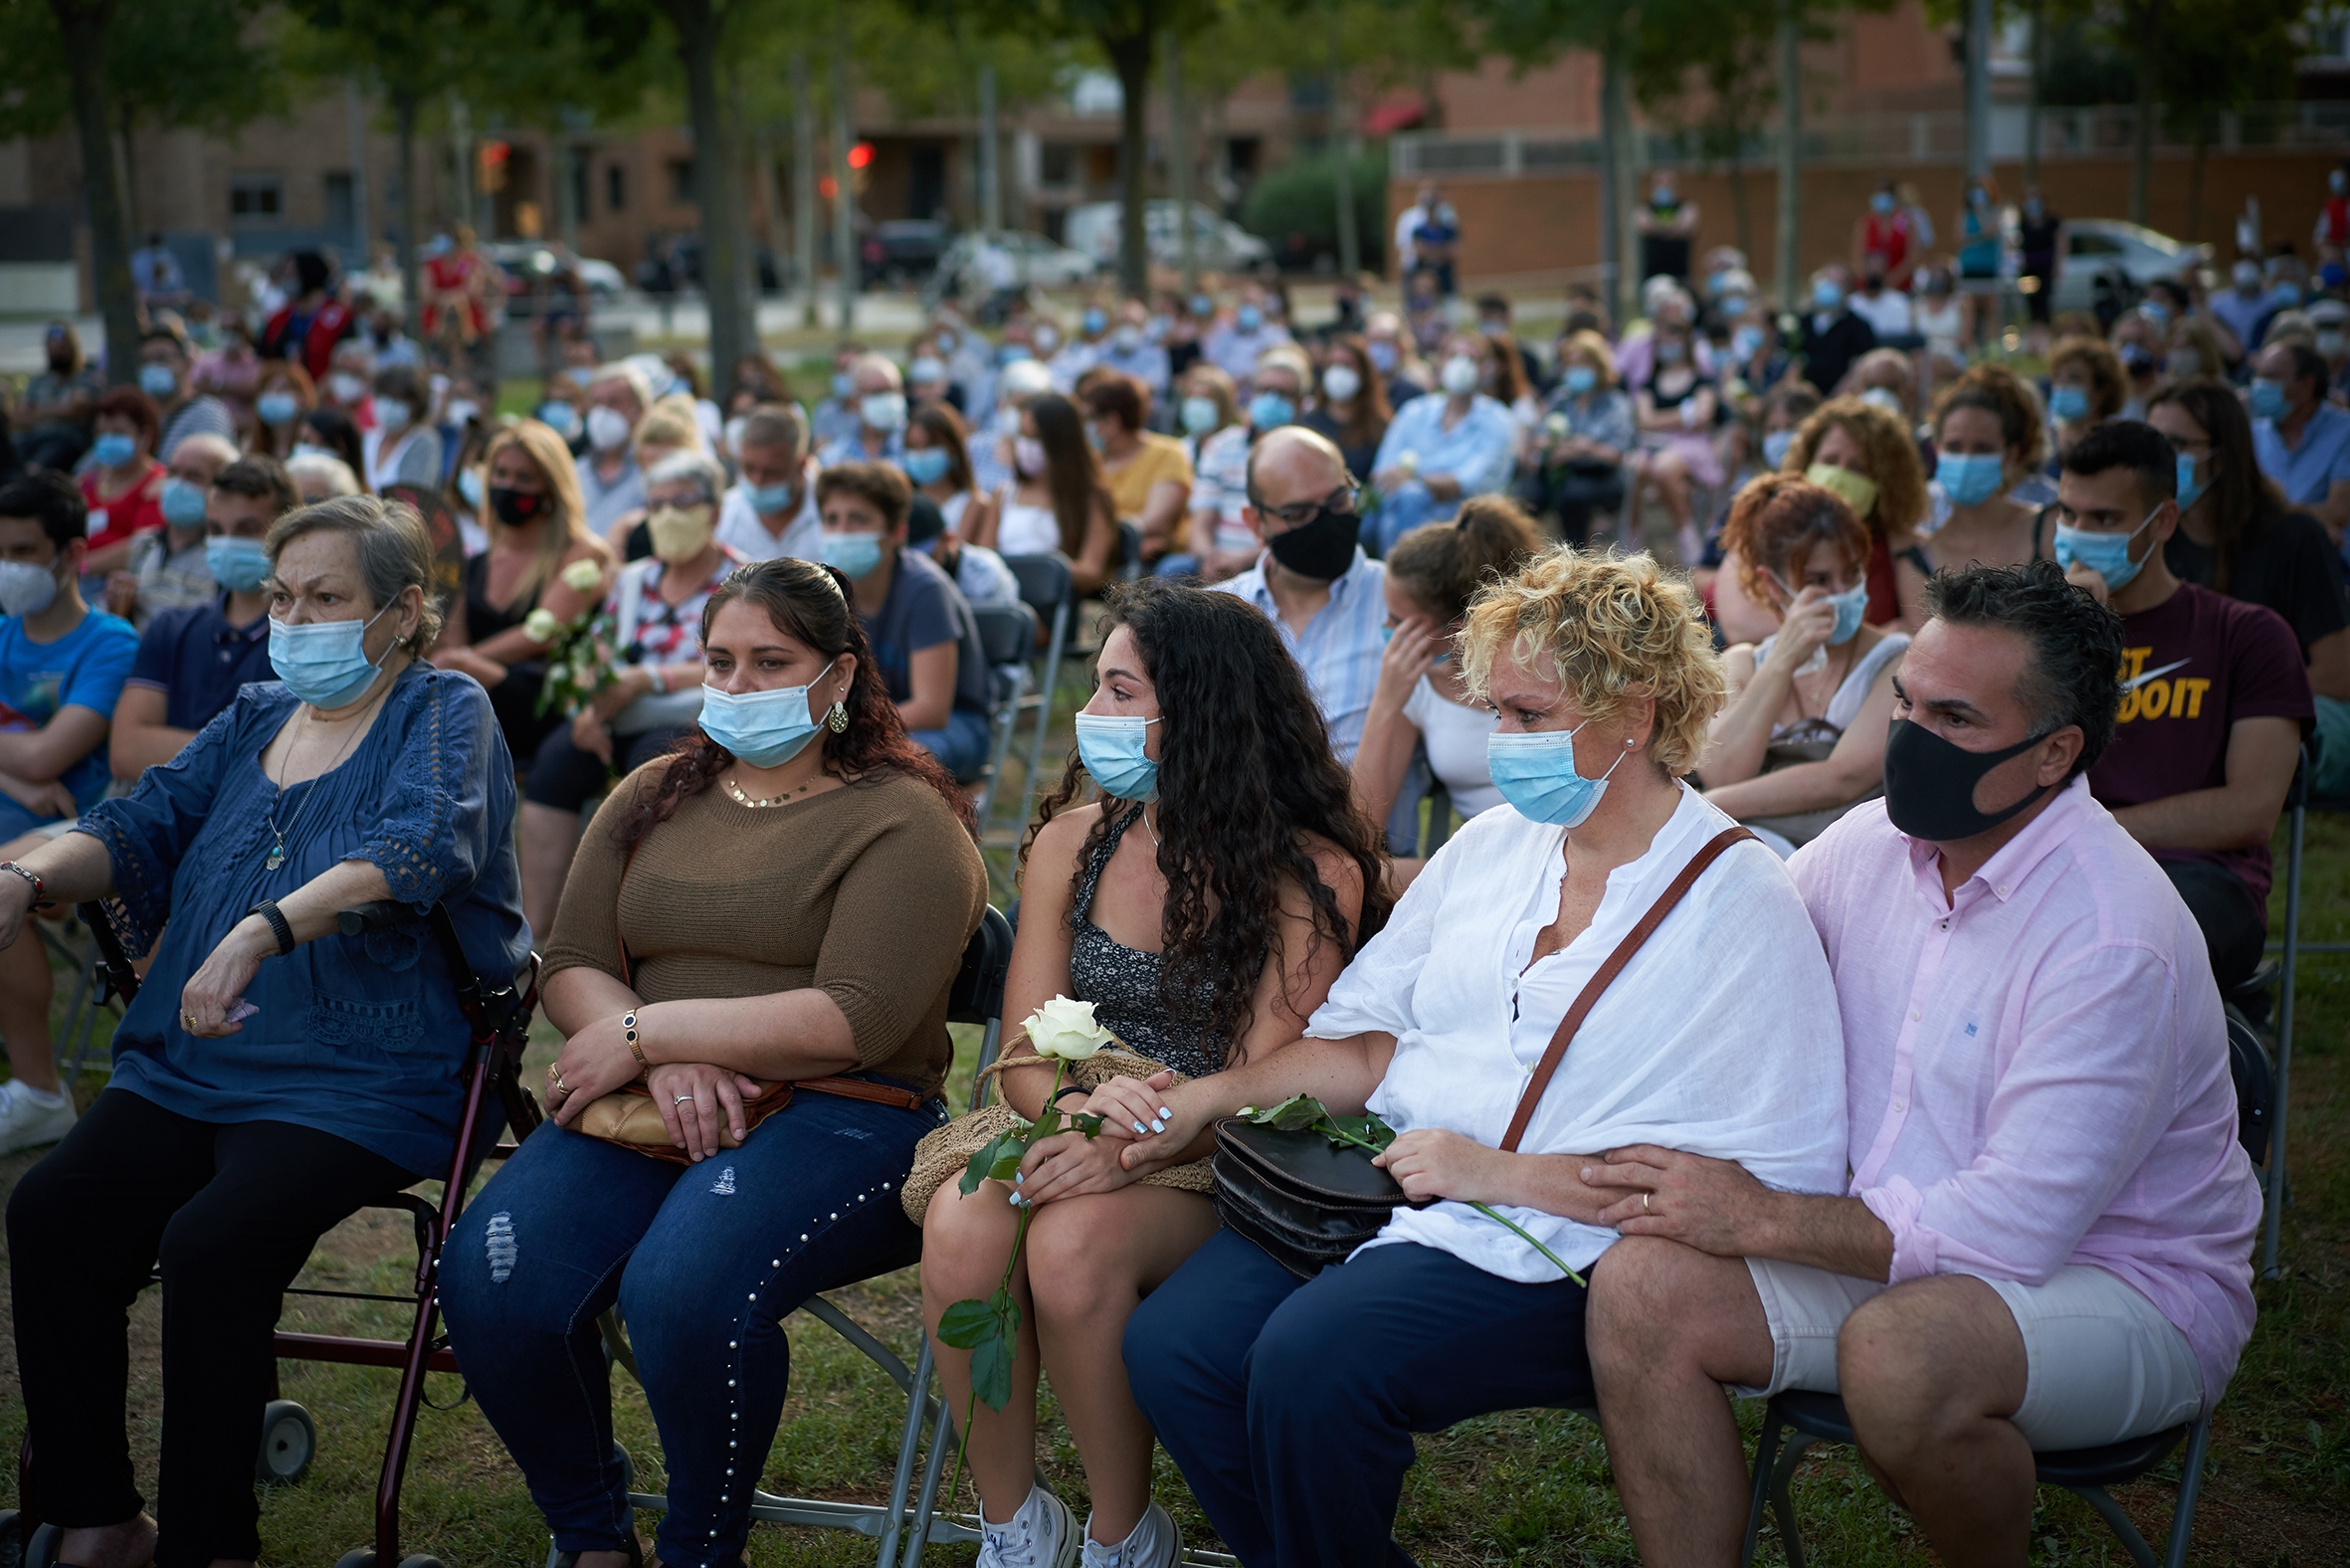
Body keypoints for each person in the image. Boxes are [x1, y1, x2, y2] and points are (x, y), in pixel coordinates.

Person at [1118, 545, 1848, 1566]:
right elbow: (1370, 1036)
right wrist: (1212, 1096)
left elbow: (1734, 1184)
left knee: (1311, 1360)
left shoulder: (1736, 900)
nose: (1498, 740)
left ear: (1633, 715)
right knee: (1175, 1351)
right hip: (1392, 1195)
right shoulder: (1493, 845)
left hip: (1566, 1247)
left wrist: (1491, 1172)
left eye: (1528, 714)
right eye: (1496, 710)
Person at [1585, 558, 2262, 1568]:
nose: (1908, 737)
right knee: (1641, 1289)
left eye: (1954, 719)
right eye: (1904, 701)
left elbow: (2012, 1228)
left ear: (2054, 753)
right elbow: (1716, 942)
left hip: (2119, 1282)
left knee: (1902, 1355)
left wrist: (1758, 1215)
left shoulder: (2111, 935)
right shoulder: (1872, 843)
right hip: (1888, 1244)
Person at [5, 492, 526, 1568]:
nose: (297, 618)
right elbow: (130, 825)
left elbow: (424, 848)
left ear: (403, 609)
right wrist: (23, 872)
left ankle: (213, 1546)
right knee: (52, 1211)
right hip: (197, 1062)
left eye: (328, 596)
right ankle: (100, 1517)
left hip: (365, 1072)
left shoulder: (445, 710)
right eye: (285, 595)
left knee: (212, 1241)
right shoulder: (252, 712)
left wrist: (263, 927)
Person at [438, 556, 986, 1568]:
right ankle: (592, 1536)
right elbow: (572, 962)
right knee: (489, 1273)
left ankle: (701, 1548)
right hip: (650, 1099)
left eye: (771, 661)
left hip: (846, 1111)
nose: (737, 686)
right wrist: (661, 1056)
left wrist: (655, 1034)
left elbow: (853, 1017)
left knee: (682, 1289)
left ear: (840, 674)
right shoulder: (654, 791)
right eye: (720, 660)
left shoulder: (907, 818)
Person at [919, 579, 1381, 1568]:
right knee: (963, 1220)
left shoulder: (1307, 868)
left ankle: (1122, 1532)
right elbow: (1022, 1051)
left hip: (1216, 1139)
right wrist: (1079, 1115)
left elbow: (1272, 1078)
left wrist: (1127, 1142)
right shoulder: (1070, 843)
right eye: (1095, 688)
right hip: (1076, 1106)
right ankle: (1015, 1524)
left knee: (1073, 1245)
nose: (1091, 717)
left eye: (1119, 692)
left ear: (1202, 711)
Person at [2054, 420, 2308, 1001]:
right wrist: (2071, 635)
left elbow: (2250, 810)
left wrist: (2092, 830)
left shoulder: (2247, 635)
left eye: (2105, 520)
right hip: (2056, 865)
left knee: (2121, 945)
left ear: (2163, 521)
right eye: (2068, 514)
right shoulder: (2033, 639)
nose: (2077, 533)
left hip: (2197, 876)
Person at [519, 450, 745, 942]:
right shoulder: (634, 578)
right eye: (655, 504)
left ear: (713, 511)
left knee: (657, 773)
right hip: (614, 715)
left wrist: (648, 678)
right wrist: (585, 710)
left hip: (686, 716)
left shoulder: (742, 584)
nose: (666, 516)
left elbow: (735, 662)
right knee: (555, 765)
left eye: (681, 502)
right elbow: (594, 655)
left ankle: (634, 932)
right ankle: (537, 931)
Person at [0, 472, 140, 1154]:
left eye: (23, 552)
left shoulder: (110, 642)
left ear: (72, 556)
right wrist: (19, 776)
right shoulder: (1, 632)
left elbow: (51, 755)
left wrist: (25, 773)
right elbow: (30, 766)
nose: (8, 568)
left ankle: (39, 1094)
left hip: (77, 839)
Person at [1699, 477, 1908, 856]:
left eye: (1851, 574)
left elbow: (1843, 778)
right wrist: (1783, 660)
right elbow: (1723, 769)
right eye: (1819, 581)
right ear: (1775, 586)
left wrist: (1707, 805)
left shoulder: (1895, 659)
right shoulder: (1743, 664)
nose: (1841, 592)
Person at [1353, 498, 1543, 888]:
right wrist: (1387, 700)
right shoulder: (1417, 686)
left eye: (1398, 621)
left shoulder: (1543, 672)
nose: (1385, 627)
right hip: (1486, 865)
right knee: (1345, 876)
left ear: (1458, 627)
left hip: (1559, 850)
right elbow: (1360, 828)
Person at [2152, 377, 2350, 700]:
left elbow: (2337, 675)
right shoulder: (2152, 538)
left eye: (2176, 444)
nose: (2159, 459)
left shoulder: (2295, 536)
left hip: (2287, 714)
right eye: (2153, 443)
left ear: (2220, 456)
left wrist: (2227, 702)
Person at [433, 420, 615, 766]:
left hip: (546, 698)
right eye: (500, 474)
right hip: (475, 694)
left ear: (549, 488)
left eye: (523, 478)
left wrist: (461, 664)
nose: (508, 486)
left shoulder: (582, 554)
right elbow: (451, 644)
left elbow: (540, 637)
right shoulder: (476, 563)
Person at [110, 456, 294, 784]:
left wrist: (165, 743)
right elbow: (125, 752)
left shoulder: (298, 643)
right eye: (215, 529)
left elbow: (286, 765)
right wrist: (242, 749)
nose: (226, 542)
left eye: (247, 529)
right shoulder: (170, 628)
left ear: (286, 533)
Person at [1212, 428, 1387, 765]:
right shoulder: (1211, 615)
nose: (1324, 523)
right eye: (1298, 514)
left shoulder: (1405, 607)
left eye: (1338, 502)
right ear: (1255, 522)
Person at [817, 462, 993, 777]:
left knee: (886, 761)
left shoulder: (926, 591)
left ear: (897, 532)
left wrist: (846, 733)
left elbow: (932, 708)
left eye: (857, 519)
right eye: (832, 519)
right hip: (865, 724)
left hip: (950, 726)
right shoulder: (828, 591)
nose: (841, 532)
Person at [1775, 396, 1934, 632]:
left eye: (1857, 468)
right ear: (1807, 462)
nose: (1839, 475)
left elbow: (1919, 629)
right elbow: (1742, 624)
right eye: (1829, 461)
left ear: (1886, 483)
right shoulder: (1772, 530)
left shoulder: (1900, 546)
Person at [1367, 330, 1519, 555]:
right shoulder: (1414, 412)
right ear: (1440, 363)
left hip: (1466, 519)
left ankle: (1400, 578)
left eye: (1470, 359)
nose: (1460, 365)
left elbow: (1466, 483)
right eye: (1453, 357)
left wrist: (1413, 478)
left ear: (1485, 369)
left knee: (1410, 497)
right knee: (1377, 517)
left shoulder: (1498, 420)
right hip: (1400, 510)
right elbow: (1382, 473)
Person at [972, 392, 1119, 597]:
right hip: (1004, 599)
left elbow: (1092, 571)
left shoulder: (1091, 498)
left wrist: (1039, 571)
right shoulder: (1003, 494)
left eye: (1036, 438)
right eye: (1023, 436)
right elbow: (983, 557)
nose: (1026, 445)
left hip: (1055, 604)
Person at [1922, 365, 2052, 574]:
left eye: (1982, 448)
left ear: (2010, 455)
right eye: (1954, 447)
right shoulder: (1918, 543)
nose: (1966, 459)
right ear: (1936, 448)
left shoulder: (2047, 530)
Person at [1625, 307, 1723, 565]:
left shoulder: (1701, 380)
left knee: (1664, 468)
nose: (1669, 344)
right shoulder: (1649, 383)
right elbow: (1644, 421)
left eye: (1674, 337)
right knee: (1636, 469)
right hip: (1653, 446)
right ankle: (1632, 543)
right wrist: (1683, 415)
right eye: (1663, 340)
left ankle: (1686, 535)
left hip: (1691, 449)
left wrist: (1662, 420)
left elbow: (1703, 417)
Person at [109, 432, 238, 627]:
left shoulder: (223, 556)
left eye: (193, 476)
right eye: (173, 473)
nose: (178, 483)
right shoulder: (144, 545)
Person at [1526, 329, 1637, 549]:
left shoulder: (1615, 404)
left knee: (1573, 497)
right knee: (1528, 495)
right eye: (1570, 365)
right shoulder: (1561, 398)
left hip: (1600, 475)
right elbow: (1538, 438)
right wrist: (1556, 447)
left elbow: (1615, 453)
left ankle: (1576, 558)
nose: (1575, 371)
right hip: (1559, 471)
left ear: (1598, 366)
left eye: (1582, 364)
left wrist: (1583, 449)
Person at [1084, 372, 1192, 568]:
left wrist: (1099, 539)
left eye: (1090, 418)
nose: (1086, 426)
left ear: (1112, 420)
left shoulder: (1168, 453)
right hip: (1099, 557)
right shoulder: (1091, 461)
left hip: (1149, 562)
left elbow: (1155, 520)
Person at [2249, 339, 2350, 540]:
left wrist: (2271, 513)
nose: (2259, 386)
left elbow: (2338, 512)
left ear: (2306, 385)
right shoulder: (2254, 433)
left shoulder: (2344, 432)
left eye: (2271, 377)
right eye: (2258, 376)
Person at [78, 389, 168, 582]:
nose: (108, 439)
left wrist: (82, 566)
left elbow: (143, 546)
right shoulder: (87, 482)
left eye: (118, 432)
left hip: (121, 583)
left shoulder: (158, 484)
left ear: (145, 436)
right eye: (102, 433)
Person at [714, 402, 821, 564]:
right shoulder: (725, 516)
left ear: (801, 466)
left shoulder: (832, 513)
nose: (757, 481)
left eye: (771, 472)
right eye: (749, 468)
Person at [135, 325, 237, 464]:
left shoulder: (207, 415)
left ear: (187, 364)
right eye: (145, 361)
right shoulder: (142, 417)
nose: (153, 367)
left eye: (161, 358)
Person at [14, 323, 107, 472]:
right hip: (34, 438)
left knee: (36, 468)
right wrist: (60, 408)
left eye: (62, 348)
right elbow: (19, 417)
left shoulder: (87, 378)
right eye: (53, 349)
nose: (57, 353)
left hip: (66, 441)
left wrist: (37, 411)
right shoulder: (39, 381)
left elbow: (76, 409)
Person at [1301, 334, 1392, 484]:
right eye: (1332, 365)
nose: (1338, 372)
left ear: (1363, 373)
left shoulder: (1380, 427)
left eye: (1347, 365)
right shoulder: (1308, 425)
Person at [905, 493, 1019, 611]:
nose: (921, 565)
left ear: (948, 539)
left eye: (928, 556)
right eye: (913, 559)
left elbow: (996, 625)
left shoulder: (985, 573)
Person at [576, 364, 653, 533]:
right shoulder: (577, 471)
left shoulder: (652, 469)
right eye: (596, 403)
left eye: (614, 402)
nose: (602, 413)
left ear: (640, 409)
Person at [258, 252, 355, 383]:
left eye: (292, 274)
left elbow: (347, 366)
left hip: (326, 397)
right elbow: (264, 360)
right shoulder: (278, 320)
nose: (286, 279)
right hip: (285, 394)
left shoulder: (340, 318)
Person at [358, 365, 444, 496]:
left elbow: (414, 496)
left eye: (397, 399)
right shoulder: (367, 437)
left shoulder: (424, 442)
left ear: (415, 406)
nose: (388, 405)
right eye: (383, 397)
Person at [819, 352, 911, 470]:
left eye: (892, 391)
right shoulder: (834, 457)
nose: (886, 398)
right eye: (877, 393)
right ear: (855, 399)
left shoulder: (917, 448)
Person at [1798, 267, 1877, 400]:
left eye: (1837, 283)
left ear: (1848, 289)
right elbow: (1794, 363)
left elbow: (1858, 368)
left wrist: (1832, 400)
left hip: (1841, 398)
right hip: (1803, 399)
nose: (1830, 288)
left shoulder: (1859, 326)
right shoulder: (1801, 322)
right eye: (1827, 282)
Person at [2046, 335, 2125, 464]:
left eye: (2074, 378)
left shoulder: (2119, 448)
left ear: (2101, 391)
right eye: (2057, 376)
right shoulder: (2046, 445)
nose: (2062, 386)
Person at [1204, 289, 1293, 384]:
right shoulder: (1223, 337)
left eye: (1253, 304)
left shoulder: (1277, 336)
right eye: (1246, 303)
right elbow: (1211, 365)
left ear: (1263, 307)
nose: (1249, 308)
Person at [248, 360, 316, 464]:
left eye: (282, 390)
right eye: (268, 389)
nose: (272, 396)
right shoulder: (250, 445)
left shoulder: (314, 445)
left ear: (302, 397)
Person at [1638, 171, 1700, 286]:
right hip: (1653, 268)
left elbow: (1686, 227)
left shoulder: (1686, 206)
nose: (1664, 184)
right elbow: (1644, 226)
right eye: (1660, 181)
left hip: (1679, 267)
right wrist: (1675, 226)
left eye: (1668, 181)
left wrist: (1656, 226)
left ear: (1675, 184)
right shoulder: (1645, 207)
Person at [2210, 258, 2279, 358]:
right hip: (2230, 358)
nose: (2248, 292)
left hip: (2263, 353)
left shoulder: (2272, 302)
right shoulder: (2218, 303)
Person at [2017, 186, 2064, 332]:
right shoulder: (2023, 224)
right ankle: (2034, 333)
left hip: (2046, 268)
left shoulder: (2052, 222)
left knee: (2045, 301)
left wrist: (2058, 265)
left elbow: (2061, 243)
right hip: (2028, 268)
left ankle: (2046, 332)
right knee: (2032, 302)